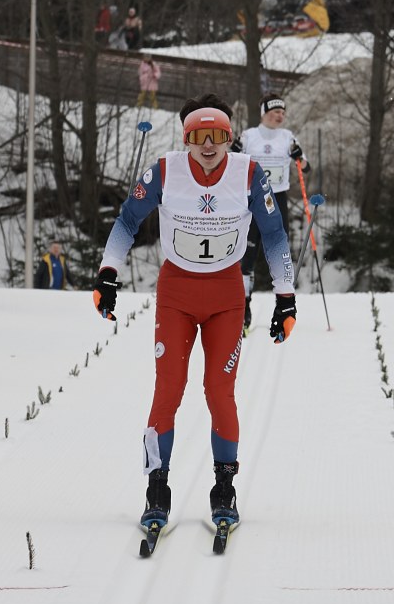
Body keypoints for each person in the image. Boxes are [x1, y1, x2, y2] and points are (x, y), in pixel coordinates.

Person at [94, 95, 297, 538]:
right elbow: (127, 220)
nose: (208, 145)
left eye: (217, 136)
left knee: (219, 392)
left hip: (226, 297)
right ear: (186, 139)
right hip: (177, 295)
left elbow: (274, 233)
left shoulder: (249, 173)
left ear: (230, 139)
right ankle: (156, 487)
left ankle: (224, 488)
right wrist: (108, 273)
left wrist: (285, 297)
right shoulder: (165, 171)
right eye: (198, 137)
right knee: (168, 389)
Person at [235, 95, 304, 332]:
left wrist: (298, 156)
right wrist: (234, 150)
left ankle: (283, 308)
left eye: (283, 112)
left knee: (278, 253)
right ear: (264, 112)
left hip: (277, 199)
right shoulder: (249, 136)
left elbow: (305, 166)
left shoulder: (287, 137)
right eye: (275, 111)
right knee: (247, 255)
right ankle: (243, 307)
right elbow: (230, 162)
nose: (280, 116)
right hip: (253, 199)